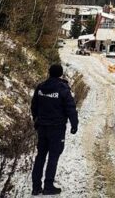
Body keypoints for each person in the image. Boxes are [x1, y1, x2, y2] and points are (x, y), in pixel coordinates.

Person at [30, 64, 79, 196]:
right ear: (61, 74)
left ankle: (36, 187)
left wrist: (36, 120)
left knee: (40, 156)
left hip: (42, 127)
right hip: (56, 129)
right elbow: (70, 107)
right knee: (53, 156)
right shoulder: (63, 89)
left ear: (49, 72)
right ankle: (48, 186)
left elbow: (34, 105)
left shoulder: (41, 87)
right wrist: (74, 124)